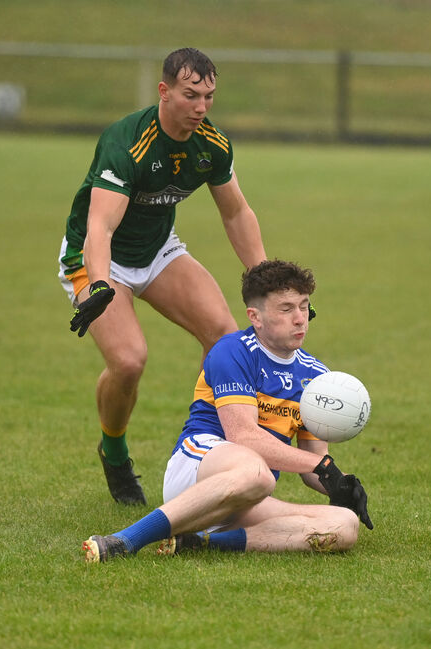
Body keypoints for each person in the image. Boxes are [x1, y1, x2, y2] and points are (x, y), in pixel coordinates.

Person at [58, 48, 266, 506]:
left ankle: (203, 449)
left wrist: (264, 281)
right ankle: (114, 451)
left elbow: (236, 211)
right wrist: (96, 284)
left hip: (158, 252)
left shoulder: (211, 143)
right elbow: (100, 227)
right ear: (164, 91)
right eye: (191, 95)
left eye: (209, 97)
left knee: (226, 339)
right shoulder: (127, 141)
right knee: (129, 361)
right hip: (97, 258)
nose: (201, 107)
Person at [82, 260, 373, 562]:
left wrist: (338, 483)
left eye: (303, 306)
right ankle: (125, 540)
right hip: (198, 469)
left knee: (343, 525)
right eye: (286, 309)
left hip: (251, 493)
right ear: (255, 317)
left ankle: (201, 542)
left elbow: (312, 461)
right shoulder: (233, 350)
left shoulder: (316, 377)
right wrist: (321, 466)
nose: (300, 319)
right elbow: (243, 437)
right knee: (256, 472)